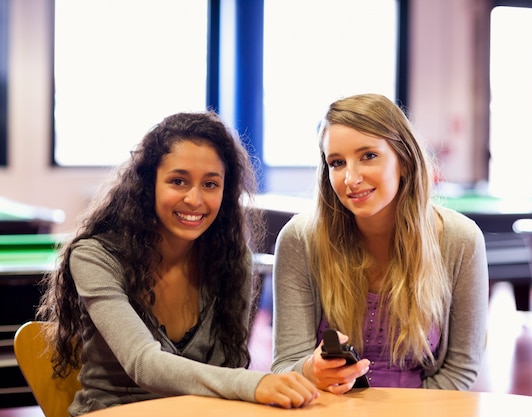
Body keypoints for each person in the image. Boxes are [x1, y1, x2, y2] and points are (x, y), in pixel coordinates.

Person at [36, 110, 318, 416]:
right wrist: (252, 384)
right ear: (149, 184)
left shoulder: (233, 260)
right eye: (179, 181)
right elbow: (143, 363)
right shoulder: (95, 256)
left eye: (210, 184)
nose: (195, 199)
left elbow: (227, 370)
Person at [271, 93, 489, 393]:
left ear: (404, 159)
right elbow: (286, 364)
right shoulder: (300, 239)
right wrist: (311, 370)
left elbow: (460, 370)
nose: (350, 178)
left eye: (368, 156)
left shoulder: (461, 240)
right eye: (337, 162)